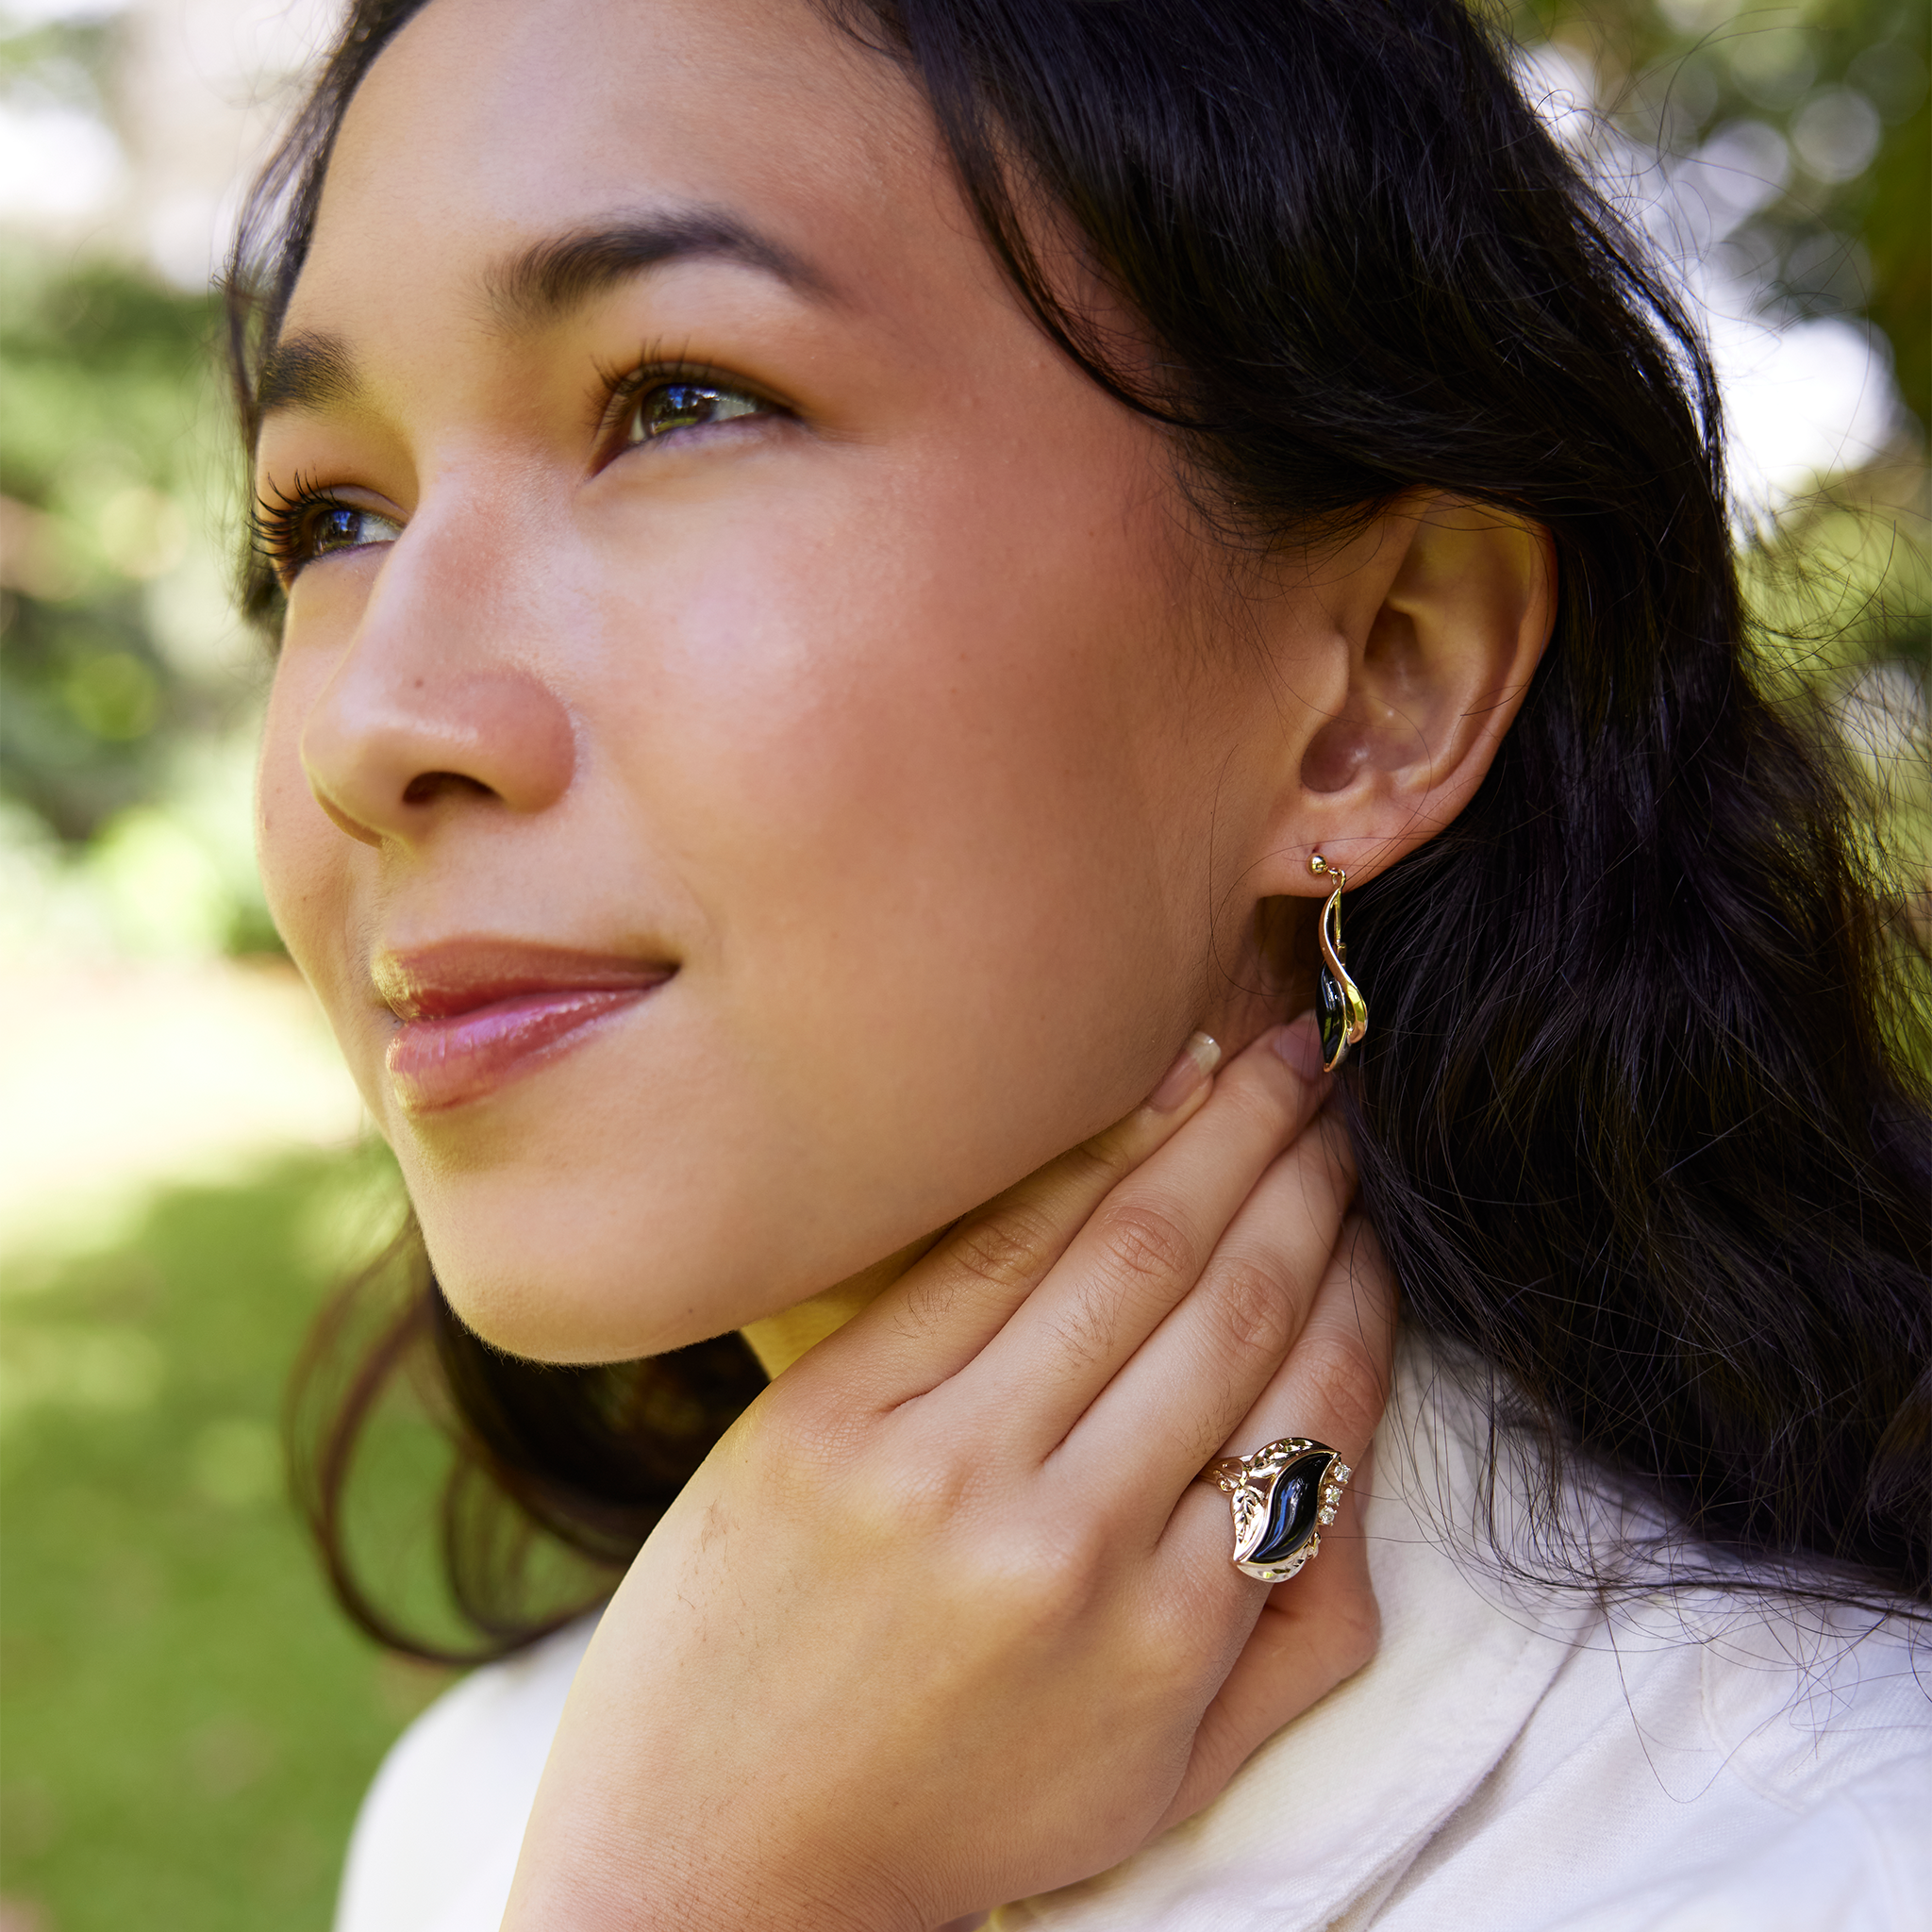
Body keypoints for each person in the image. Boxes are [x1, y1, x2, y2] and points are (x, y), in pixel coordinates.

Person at [228, 0, 1931, 1925]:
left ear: (1381, 680)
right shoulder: (495, 1811)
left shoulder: (1832, 1867)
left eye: (681, 401)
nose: (373, 723)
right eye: (330, 517)